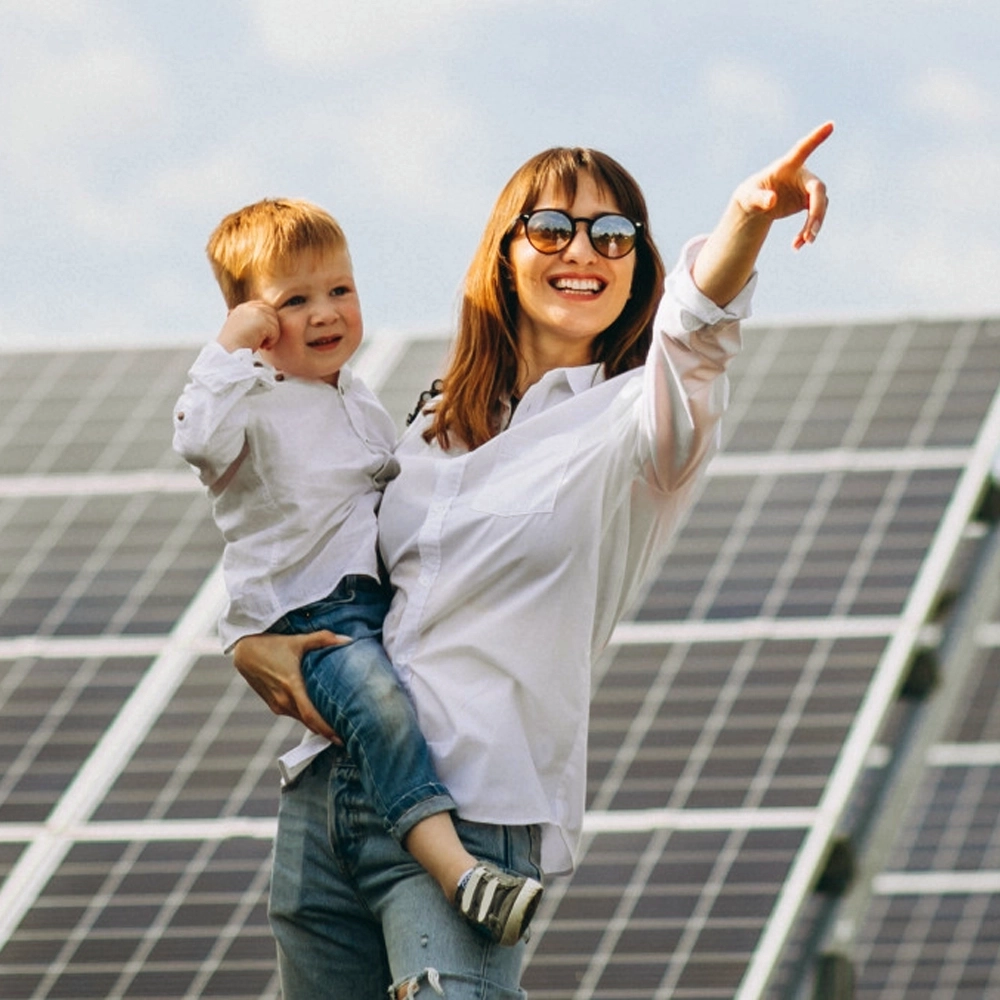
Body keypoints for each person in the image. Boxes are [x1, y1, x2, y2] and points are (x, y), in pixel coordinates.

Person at [231, 123, 834, 999]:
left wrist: (746, 218)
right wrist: (251, 642)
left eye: (613, 234)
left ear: (638, 266)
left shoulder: (640, 426)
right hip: (331, 794)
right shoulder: (428, 423)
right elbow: (320, 553)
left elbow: (698, 334)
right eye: (552, 228)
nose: (582, 251)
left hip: (476, 808)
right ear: (505, 254)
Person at [171, 198, 543, 947]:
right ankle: (459, 874)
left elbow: (397, 489)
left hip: (371, 605)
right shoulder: (247, 402)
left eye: (339, 289)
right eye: (293, 301)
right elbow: (198, 442)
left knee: (409, 704)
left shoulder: (359, 400)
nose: (325, 313)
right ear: (253, 319)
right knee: (381, 710)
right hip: (309, 616)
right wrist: (229, 348)